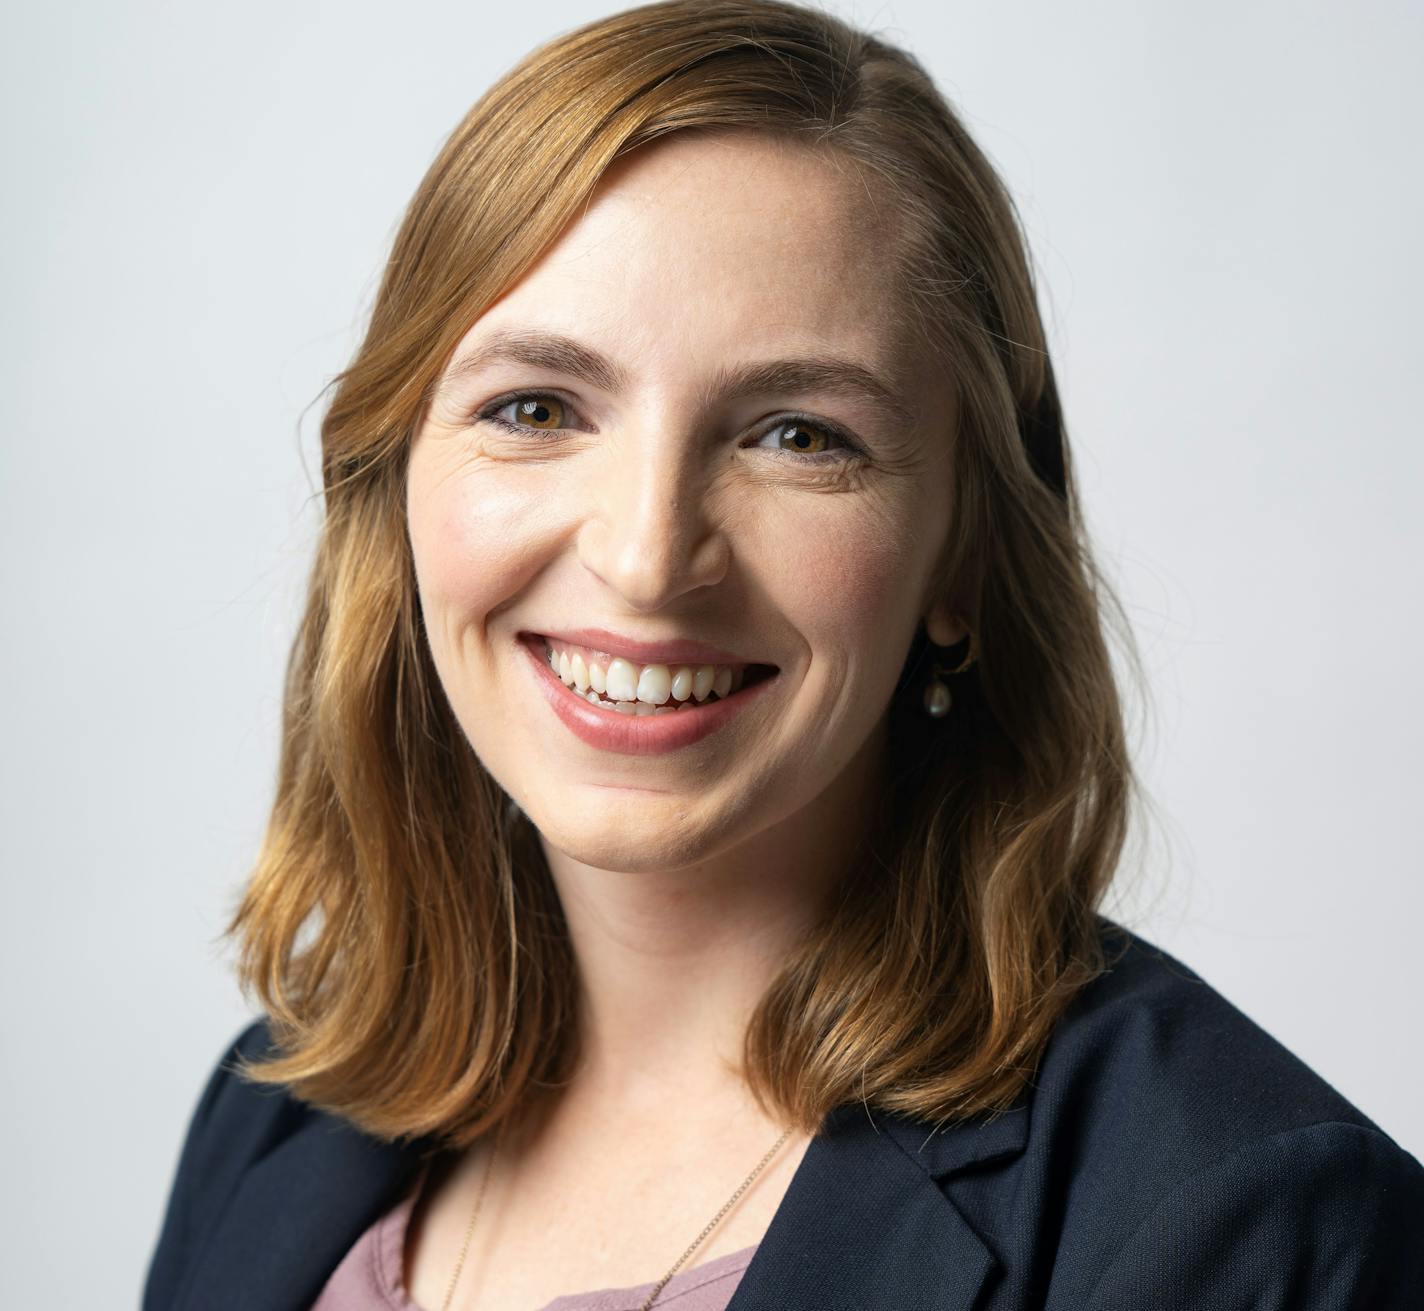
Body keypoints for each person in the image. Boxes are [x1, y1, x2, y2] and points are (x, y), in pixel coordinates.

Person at [142, 1, 1424, 1308]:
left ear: (965, 555)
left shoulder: (1246, 1221)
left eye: (798, 436)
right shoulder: (275, 1122)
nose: (646, 558)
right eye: (534, 408)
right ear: (398, 485)